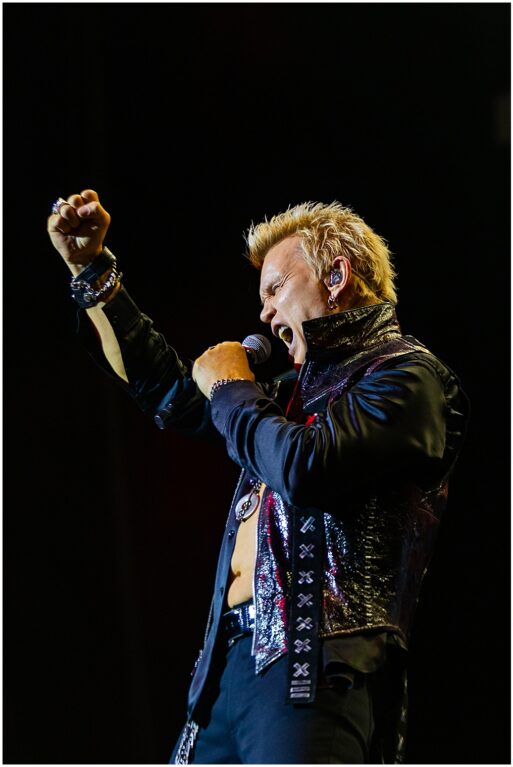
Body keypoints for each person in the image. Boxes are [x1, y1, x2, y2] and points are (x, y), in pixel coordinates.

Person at [47, 190, 469, 763]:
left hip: (314, 666)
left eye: (276, 289)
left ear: (337, 275)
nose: (265, 314)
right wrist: (92, 273)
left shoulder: (406, 378)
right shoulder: (283, 402)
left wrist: (232, 388)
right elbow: (172, 395)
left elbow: (306, 468)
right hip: (227, 669)